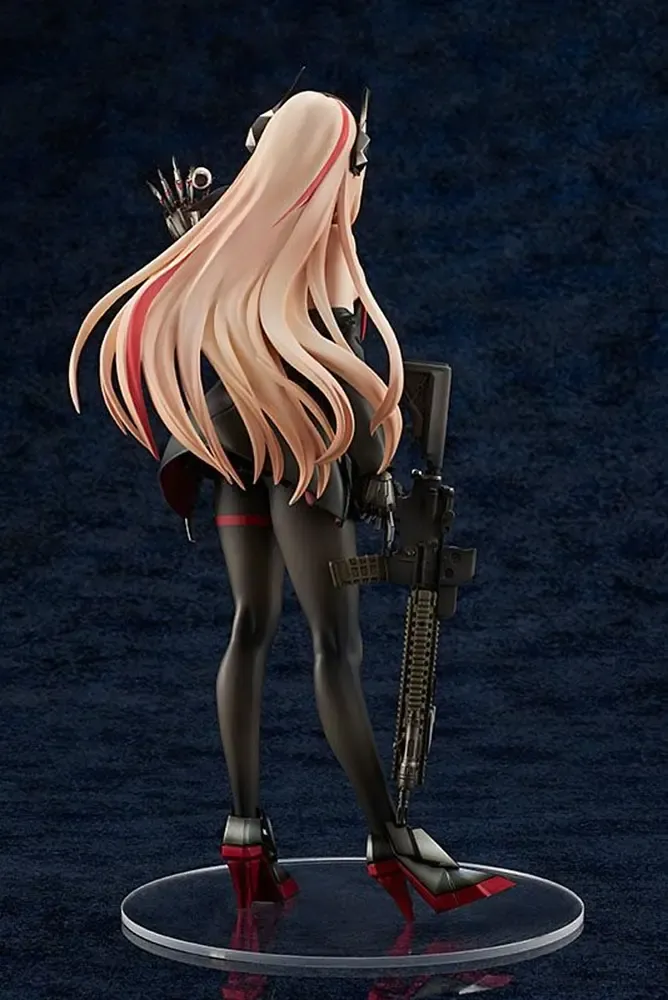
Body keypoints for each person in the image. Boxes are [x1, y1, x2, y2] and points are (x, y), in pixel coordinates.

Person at [69, 87, 512, 920]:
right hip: (304, 451)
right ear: (333, 166)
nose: (362, 180)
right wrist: (379, 475)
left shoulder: (243, 246)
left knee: (250, 625)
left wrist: (191, 235)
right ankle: (391, 838)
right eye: (359, 163)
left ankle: (244, 830)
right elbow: (345, 385)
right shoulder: (323, 255)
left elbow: (227, 334)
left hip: (234, 444)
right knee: (335, 647)